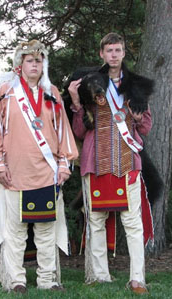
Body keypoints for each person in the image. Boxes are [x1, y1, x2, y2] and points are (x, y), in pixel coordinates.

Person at [0, 39, 78, 293]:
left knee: (46, 231)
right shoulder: (5, 92)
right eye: (29, 60)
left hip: (47, 173)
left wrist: (64, 163)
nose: (34, 64)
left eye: (38, 60)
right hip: (14, 174)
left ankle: (48, 280)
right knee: (15, 232)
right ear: (20, 64)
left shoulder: (52, 92)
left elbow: (63, 131)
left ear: (43, 64)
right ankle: (16, 280)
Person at [68, 32, 154, 294]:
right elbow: (80, 133)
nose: (114, 55)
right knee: (95, 220)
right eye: (109, 51)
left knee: (133, 223)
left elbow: (147, 127)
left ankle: (137, 279)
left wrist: (137, 118)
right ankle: (99, 275)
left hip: (128, 161)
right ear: (101, 54)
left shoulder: (135, 86)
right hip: (95, 161)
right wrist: (75, 103)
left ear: (124, 53)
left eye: (118, 50)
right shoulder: (89, 84)